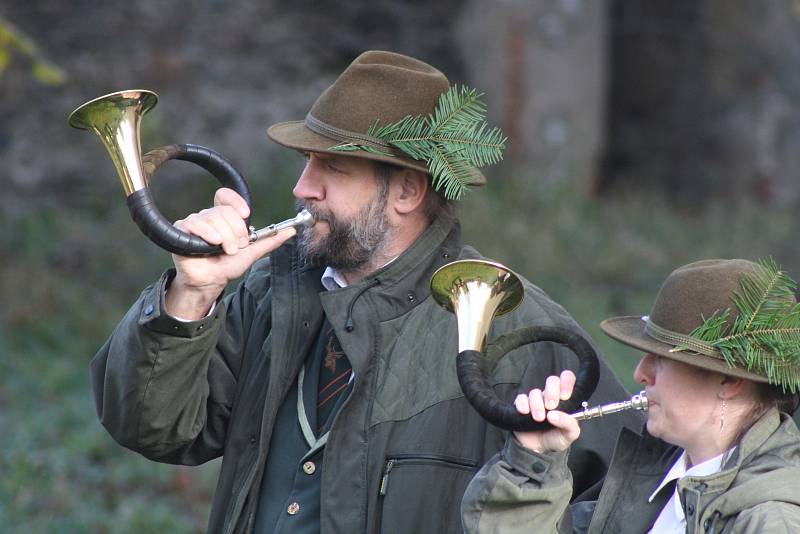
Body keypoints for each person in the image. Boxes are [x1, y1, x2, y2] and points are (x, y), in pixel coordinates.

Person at [90, 50, 640, 534]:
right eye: (307, 163)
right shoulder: (266, 292)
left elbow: (629, 505)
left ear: (405, 190)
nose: (302, 187)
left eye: (332, 167)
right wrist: (191, 294)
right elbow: (152, 429)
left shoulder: (515, 327)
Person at [462, 258, 800, 534]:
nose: (641, 373)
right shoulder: (655, 479)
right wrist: (533, 464)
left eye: (662, 359)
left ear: (727, 381)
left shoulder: (772, 521)